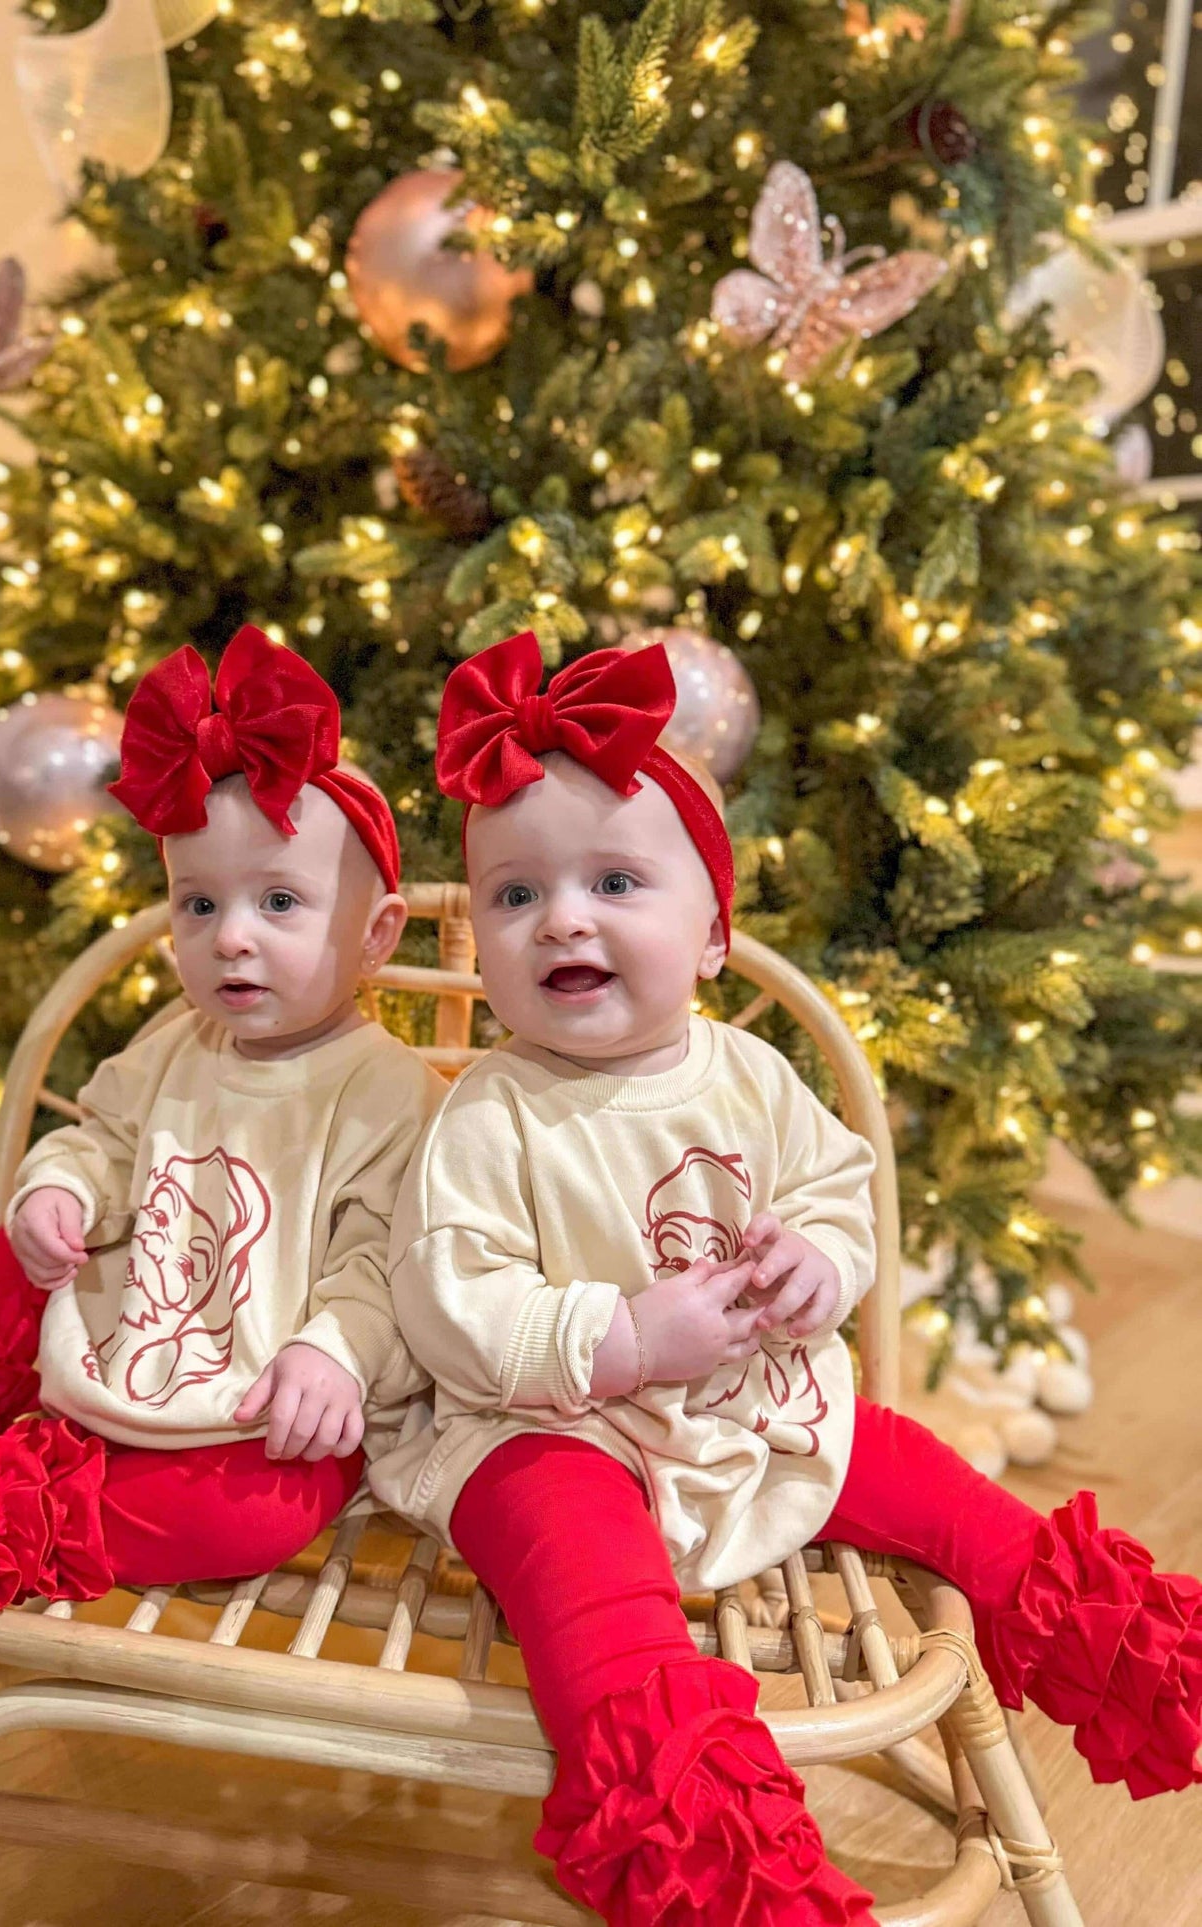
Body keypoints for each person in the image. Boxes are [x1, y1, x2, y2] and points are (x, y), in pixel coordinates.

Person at [369, 628, 1202, 1927]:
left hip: (754, 1405)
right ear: (478, 938)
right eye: (514, 895)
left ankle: (1119, 1643)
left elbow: (830, 1189)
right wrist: (618, 1333)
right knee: (585, 1578)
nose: (563, 917)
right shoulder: (493, 1110)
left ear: (712, 933)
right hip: (553, 1423)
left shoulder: (748, 1074)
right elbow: (451, 1301)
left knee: (918, 1473)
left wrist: (821, 1259)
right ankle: (706, 1844)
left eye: (613, 881)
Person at [0, 626, 441, 1614]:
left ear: (375, 934)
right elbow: (102, 1136)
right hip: (126, 1333)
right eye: (198, 904)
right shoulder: (177, 1043)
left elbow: (389, 1255)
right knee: (26, 1244)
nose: (231, 938)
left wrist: (336, 1348)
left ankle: (9, 1516)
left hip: (265, 1409)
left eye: (280, 902)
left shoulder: (389, 1090)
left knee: (265, 1510)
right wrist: (59, 1188)